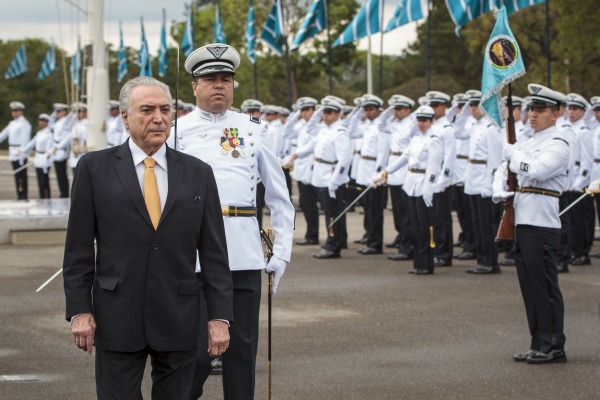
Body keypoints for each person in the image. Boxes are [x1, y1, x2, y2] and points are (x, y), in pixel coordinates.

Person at [63, 76, 233, 399]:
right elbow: (78, 251)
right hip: (116, 317)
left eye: (165, 109)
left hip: (179, 317)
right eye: (147, 109)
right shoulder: (93, 169)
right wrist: (80, 310)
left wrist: (219, 317)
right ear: (125, 116)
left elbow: (214, 254)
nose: (159, 117)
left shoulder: (199, 173)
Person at [174, 44, 295, 400]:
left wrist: (282, 252)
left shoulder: (253, 128)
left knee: (241, 350)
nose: (219, 86)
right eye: (210, 79)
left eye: (226, 79)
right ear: (195, 86)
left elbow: (279, 198)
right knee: (194, 351)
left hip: (241, 253)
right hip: (191, 255)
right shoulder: (176, 131)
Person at [495, 83, 568, 364]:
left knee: (545, 285)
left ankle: (553, 345)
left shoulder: (558, 143)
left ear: (556, 113)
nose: (534, 114)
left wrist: (514, 156)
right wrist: (498, 185)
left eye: (541, 110)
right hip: (522, 219)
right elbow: (504, 168)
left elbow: (537, 170)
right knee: (529, 285)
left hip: (541, 222)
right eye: (532, 109)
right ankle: (538, 341)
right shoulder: (528, 142)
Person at [372, 105, 443, 275]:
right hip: (411, 184)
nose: (421, 124)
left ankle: (426, 264)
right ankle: (418, 263)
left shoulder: (434, 140)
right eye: (419, 120)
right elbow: (404, 158)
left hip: (423, 187)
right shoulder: (416, 139)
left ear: (431, 121)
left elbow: (434, 169)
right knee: (414, 226)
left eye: (425, 120)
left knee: (424, 227)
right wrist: (386, 171)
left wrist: (428, 190)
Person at [290, 97, 350, 259]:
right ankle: (332, 241)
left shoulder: (340, 132)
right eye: (324, 112)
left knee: (332, 213)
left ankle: (333, 245)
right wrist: (296, 154)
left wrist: (334, 181)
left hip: (331, 178)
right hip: (320, 176)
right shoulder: (325, 129)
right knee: (328, 212)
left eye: (329, 112)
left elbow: (344, 160)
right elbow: (312, 145)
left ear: (338, 114)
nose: (325, 115)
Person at [382, 94, 416, 261]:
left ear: (408, 110)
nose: (396, 112)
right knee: (397, 213)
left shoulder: (413, 125)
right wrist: (391, 108)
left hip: (403, 171)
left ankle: (408, 247)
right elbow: (380, 124)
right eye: (395, 108)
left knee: (406, 214)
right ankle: (402, 242)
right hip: (393, 171)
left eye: (399, 108)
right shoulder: (394, 123)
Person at [426, 91, 456, 267]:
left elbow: (450, 156)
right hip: (430, 178)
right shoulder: (431, 126)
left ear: (445, 107)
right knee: (433, 218)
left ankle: (444, 254)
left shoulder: (447, 129)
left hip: (442, 180)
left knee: (442, 219)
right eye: (432, 106)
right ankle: (436, 248)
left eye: (436, 106)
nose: (433, 109)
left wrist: (443, 180)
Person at [565, 93, 594, 266]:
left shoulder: (584, 133)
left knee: (581, 220)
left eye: (575, 109)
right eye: (570, 108)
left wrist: (580, 183)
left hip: (579, 183)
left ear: (583, 111)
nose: (571, 112)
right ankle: (574, 250)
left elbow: (587, 161)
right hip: (570, 180)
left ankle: (582, 252)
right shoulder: (569, 130)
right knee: (572, 220)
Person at [0, 101, 32, 200]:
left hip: (19, 152)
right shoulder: (12, 123)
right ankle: (19, 195)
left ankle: (23, 196)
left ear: (21, 112)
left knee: (22, 177)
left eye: (16, 111)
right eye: (13, 111)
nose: (14, 113)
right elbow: (3, 135)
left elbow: (25, 139)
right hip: (12, 151)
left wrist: (22, 153)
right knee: (17, 176)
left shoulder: (24, 124)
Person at [20, 113, 53, 198]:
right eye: (40, 121)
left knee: (44, 181)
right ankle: (42, 197)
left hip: (45, 159)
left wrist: (46, 158)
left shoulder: (49, 134)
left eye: (43, 121)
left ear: (47, 122)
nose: (41, 123)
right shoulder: (39, 133)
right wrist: (22, 151)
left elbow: (49, 149)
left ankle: (46, 198)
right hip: (38, 158)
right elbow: (31, 144)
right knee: (40, 181)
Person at [49, 102, 75, 198]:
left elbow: (67, 137)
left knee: (62, 174)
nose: (57, 113)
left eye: (59, 111)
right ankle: (62, 192)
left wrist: (58, 147)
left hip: (61, 149)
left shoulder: (66, 121)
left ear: (64, 111)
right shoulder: (57, 122)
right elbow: (49, 123)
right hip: (55, 149)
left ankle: (64, 193)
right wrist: (53, 113)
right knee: (59, 174)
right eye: (56, 111)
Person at [68, 102, 88, 173]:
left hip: (82, 152)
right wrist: (72, 113)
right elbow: (67, 125)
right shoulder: (76, 123)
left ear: (85, 113)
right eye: (78, 112)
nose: (78, 113)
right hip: (74, 153)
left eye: (80, 111)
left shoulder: (87, 124)